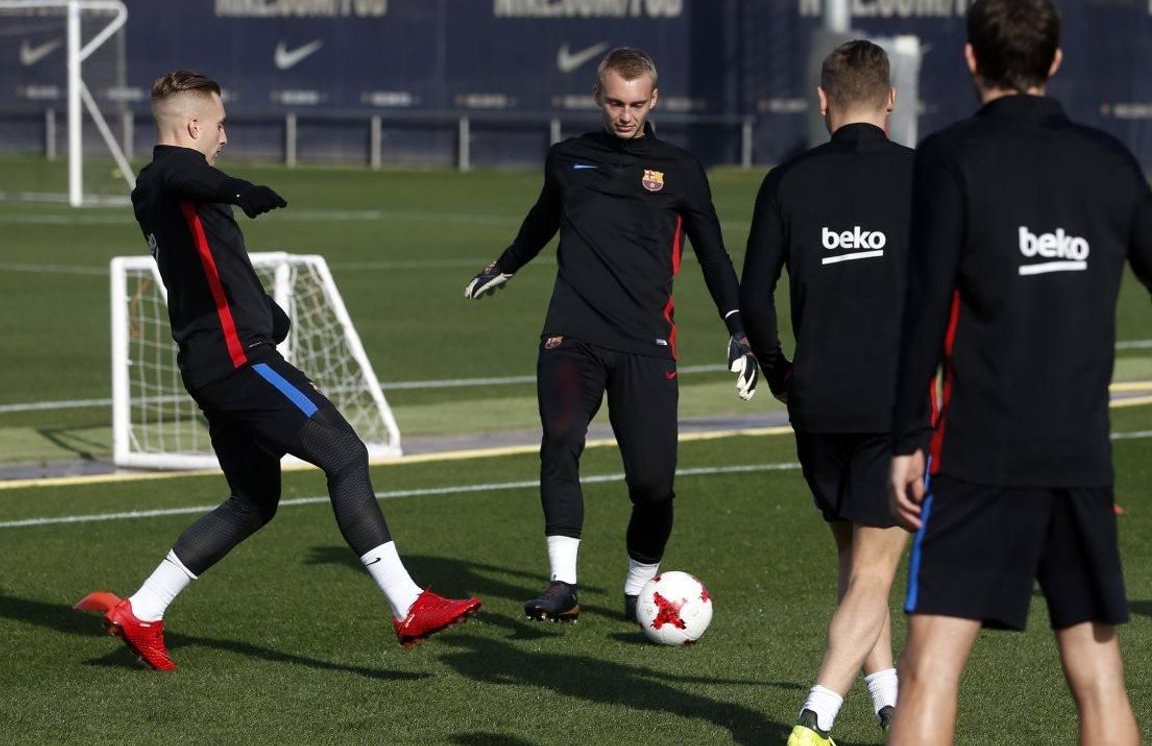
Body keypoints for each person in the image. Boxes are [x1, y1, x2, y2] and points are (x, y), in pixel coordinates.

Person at [84, 70, 480, 671]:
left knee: (252, 500)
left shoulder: (170, 190)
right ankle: (409, 603)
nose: (224, 136)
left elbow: (209, 258)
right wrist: (239, 188)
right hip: (240, 362)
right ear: (193, 126)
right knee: (345, 455)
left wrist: (264, 311)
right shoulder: (172, 176)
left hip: (216, 361)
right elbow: (185, 171)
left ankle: (143, 609)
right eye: (219, 125)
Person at [887, 0, 1152, 742]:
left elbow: (925, 306)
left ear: (969, 58)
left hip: (975, 457)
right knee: (1099, 678)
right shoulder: (1109, 162)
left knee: (929, 667)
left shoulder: (949, 156)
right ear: (1055, 61)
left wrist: (905, 437)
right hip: (1078, 459)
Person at [463, 48, 759, 623]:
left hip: (647, 342)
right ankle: (562, 583)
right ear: (599, 98)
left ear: (654, 101)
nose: (626, 114)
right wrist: (505, 265)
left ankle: (639, 584)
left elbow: (714, 256)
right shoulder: (567, 158)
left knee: (653, 487)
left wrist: (738, 330)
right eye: (616, 103)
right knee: (562, 436)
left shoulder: (681, 169)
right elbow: (541, 220)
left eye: (637, 104)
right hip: (572, 333)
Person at [740, 40, 912, 745]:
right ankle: (816, 718)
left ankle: (889, 705)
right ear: (891, 101)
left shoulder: (786, 179)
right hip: (893, 404)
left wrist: (782, 373)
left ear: (822, 101)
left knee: (855, 562)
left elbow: (753, 298)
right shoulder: (925, 177)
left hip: (814, 400)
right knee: (875, 573)